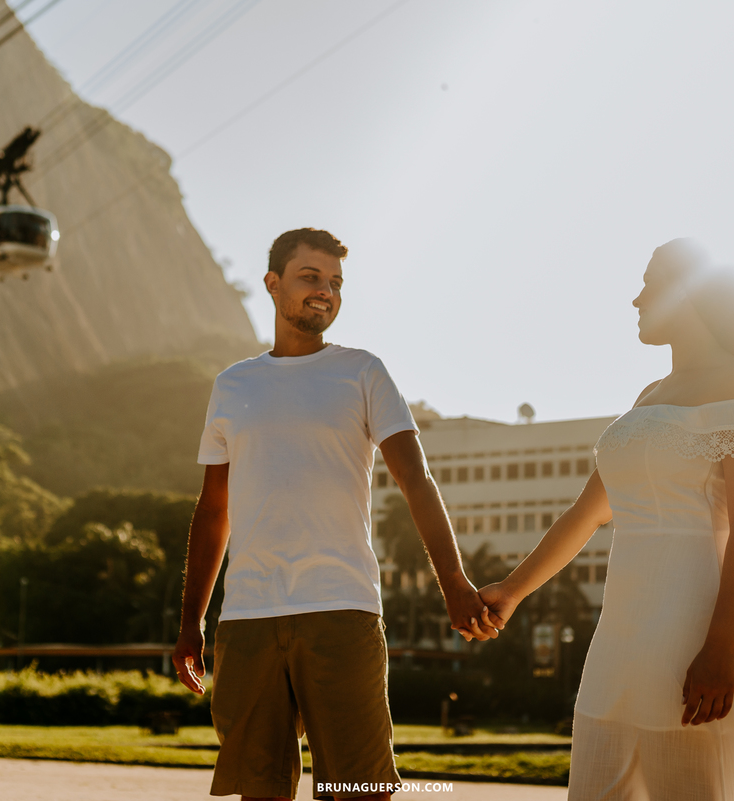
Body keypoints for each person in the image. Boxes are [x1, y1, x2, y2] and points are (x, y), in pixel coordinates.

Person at [479, 239, 734, 800]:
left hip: (692, 620)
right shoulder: (649, 395)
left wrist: (721, 648)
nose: (636, 299)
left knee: (686, 781)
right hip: (622, 626)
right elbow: (587, 514)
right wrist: (512, 591)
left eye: (650, 283)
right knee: (603, 772)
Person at [172, 228, 497, 801]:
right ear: (273, 285)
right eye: (310, 278)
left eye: (336, 282)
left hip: (341, 609)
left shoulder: (363, 372)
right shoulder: (232, 385)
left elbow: (415, 479)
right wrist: (190, 622)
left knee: (358, 789)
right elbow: (213, 509)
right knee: (259, 791)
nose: (326, 292)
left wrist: (454, 583)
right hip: (248, 619)